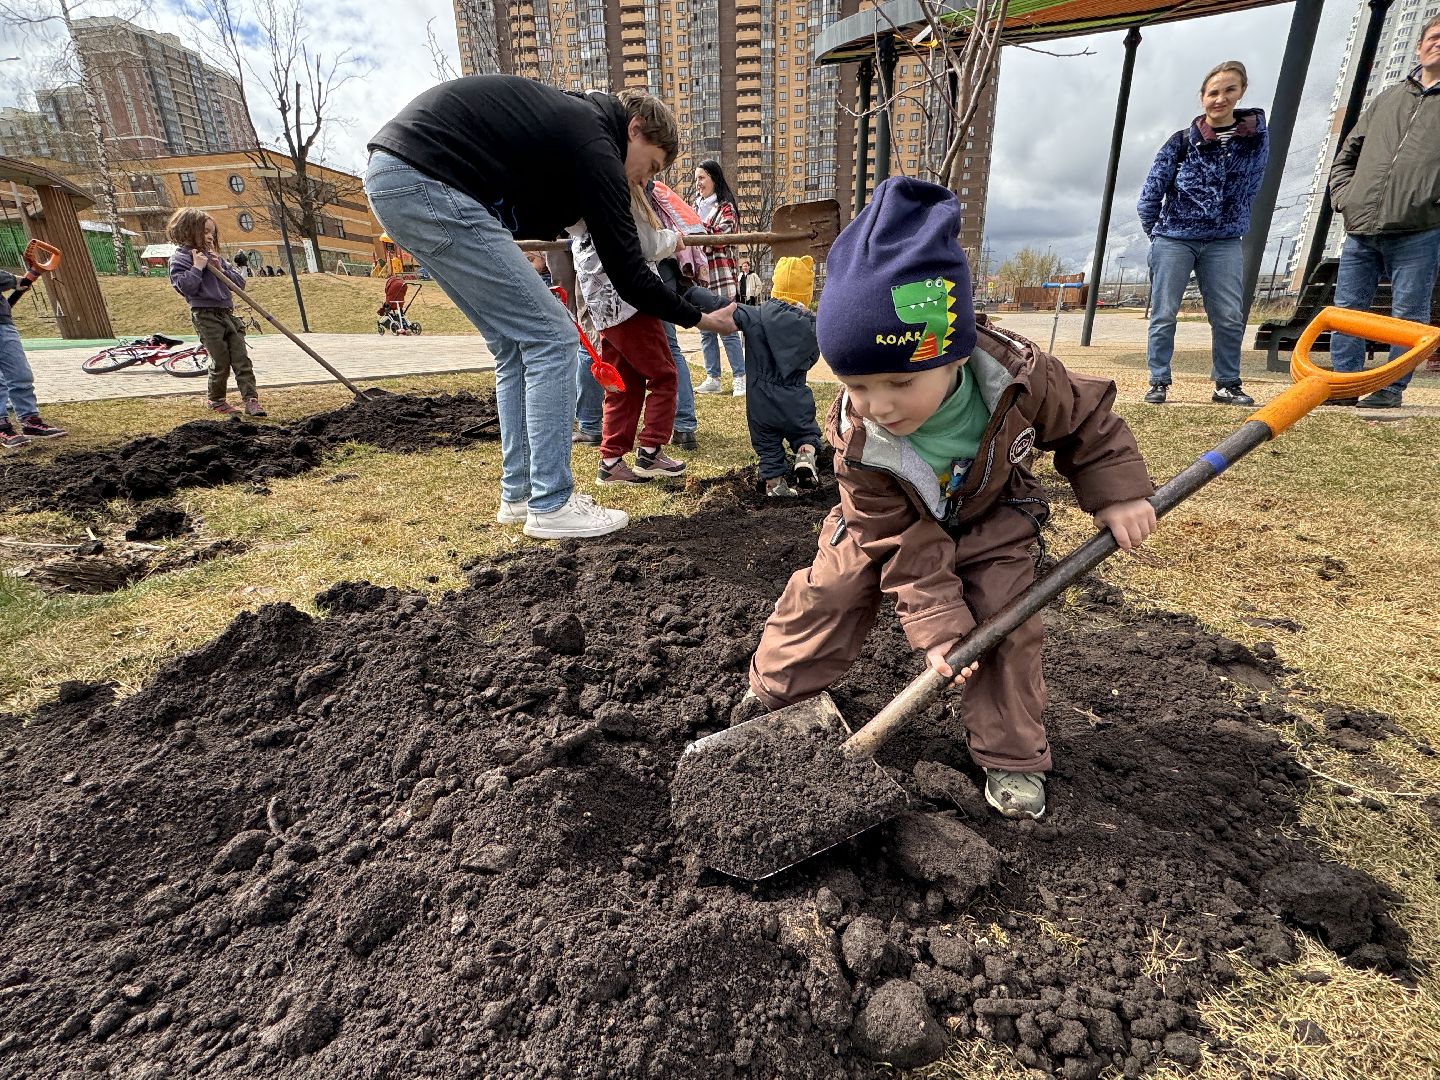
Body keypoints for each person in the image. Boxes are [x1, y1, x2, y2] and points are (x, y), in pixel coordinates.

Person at [745, 178, 1157, 821]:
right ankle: (773, 695)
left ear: (953, 355)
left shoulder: (1018, 377)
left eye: (897, 382)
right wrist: (937, 625)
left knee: (1006, 622)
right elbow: (900, 543)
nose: (876, 404)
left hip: (993, 516)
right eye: (855, 383)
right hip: (885, 524)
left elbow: (1088, 423)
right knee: (831, 589)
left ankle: (1012, 757)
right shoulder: (860, 441)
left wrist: (1119, 494)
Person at [366, 75, 736, 539]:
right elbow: (628, 273)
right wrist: (700, 318)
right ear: (635, 128)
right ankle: (551, 503)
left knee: (512, 346)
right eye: (653, 164)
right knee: (552, 337)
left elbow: (618, 238)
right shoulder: (595, 141)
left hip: (396, 178)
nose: (647, 179)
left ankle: (520, 494)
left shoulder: (575, 139)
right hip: (428, 180)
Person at [1137, 60, 1268, 407]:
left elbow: (1251, 188)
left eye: (1229, 90)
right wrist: (1160, 236)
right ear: (1202, 98)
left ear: (1241, 93)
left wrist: (1232, 223)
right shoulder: (1182, 143)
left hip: (1224, 240)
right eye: (1213, 92)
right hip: (1174, 237)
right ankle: (1158, 380)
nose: (1220, 99)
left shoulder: (1254, 142)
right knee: (1164, 313)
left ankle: (1227, 383)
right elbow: (1150, 194)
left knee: (1228, 314)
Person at [1326, 15, 1440, 409]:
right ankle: (1344, 385)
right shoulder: (1388, 99)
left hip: (1419, 229)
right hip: (1361, 226)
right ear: (1419, 45)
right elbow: (1348, 154)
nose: (1437, 44)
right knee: (1347, 311)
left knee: (1408, 316)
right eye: (1433, 37)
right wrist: (1345, 196)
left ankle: (1389, 388)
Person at [570, 185, 688, 485]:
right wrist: (673, 239)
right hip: (631, 299)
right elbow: (645, 245)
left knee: (624, 384)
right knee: (663, 375)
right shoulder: (618, 193)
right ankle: (650, 451)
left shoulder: (582, 204)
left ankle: (610, 460)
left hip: (603, 305)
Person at [692, 256, 821, 495]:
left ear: (775, 287)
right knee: (807, 434)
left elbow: (720, 304)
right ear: (807, 295)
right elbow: (813, 358)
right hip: (796, 397)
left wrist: (689, 291)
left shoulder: (756, 315)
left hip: (760, 400)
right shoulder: (815, 325)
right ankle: (804, 456)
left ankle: (774, 485)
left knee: (768, 445)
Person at [166, 209, 266, 417]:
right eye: (205, 232)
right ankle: (217, 399)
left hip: (227, 313)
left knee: (241, 359)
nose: (210, 236)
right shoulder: (180, 259)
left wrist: (221, 267)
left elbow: (239, 284)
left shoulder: (215, 258)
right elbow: (186, 287)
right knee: (220, 360)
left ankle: (251, 400)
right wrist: (198, 267)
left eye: (212, 232)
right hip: (205, 315)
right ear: (187, 230)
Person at [692, 159, 747, 397]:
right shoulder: (693, 207)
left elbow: (721, 236)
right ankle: (712, 376)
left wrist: (693, 228)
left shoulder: (726, 208)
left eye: (702, 177)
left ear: (715, 179)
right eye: (696, 179)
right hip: (700, 277)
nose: (698, 183)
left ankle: (740, 376)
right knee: (704, 327)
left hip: (721, 275)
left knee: (727, 327)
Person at [0, 266, 67, 449]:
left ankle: (30, 421)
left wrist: (19, 281)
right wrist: (16, 281)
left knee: (20, 374)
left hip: (3, 323)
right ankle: (2, 426)